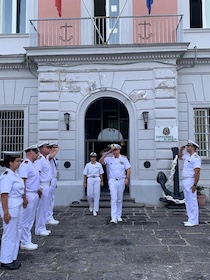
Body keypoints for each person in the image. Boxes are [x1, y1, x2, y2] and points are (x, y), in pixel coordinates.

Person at [0, 152, 24, 270]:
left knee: (16, 232)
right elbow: (4, 195)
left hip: (17, 205)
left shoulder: (15, 175)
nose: (19, 163)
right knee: (9, 233)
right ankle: (5, 259)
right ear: (10, 162)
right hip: (11, 207)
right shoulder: (6, 176)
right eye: (17, 161)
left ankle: (12, 257)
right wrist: (6, 212)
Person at [99, 143, 131, 224]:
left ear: (119, 150)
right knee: (114, 198)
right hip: (112, 180)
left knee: (119, 199)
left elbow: (128, 169)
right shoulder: (109, 159)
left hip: (121, 180)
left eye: (116, 150)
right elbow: (100, 161)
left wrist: (127, 178)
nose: (114, 152)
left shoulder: (124, 159)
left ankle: (118, 216)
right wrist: (107, 152)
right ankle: (113, 217)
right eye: (113, 150)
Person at [18, 144, 40, 250]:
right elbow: (23, 182)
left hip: (33, 194)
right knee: (26, 220)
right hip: (29, 195)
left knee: (30, 219)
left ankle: (27, 240)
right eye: (36, 153)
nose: (38, 155)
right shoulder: (25, 165)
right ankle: (24, 241)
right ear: (30, 153)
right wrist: (24, 197)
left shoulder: (32, 165)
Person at [178, 140, 201, 227]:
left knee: (192, 201)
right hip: (186, 180)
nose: (187, 147)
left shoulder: (195, 158)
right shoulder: (188, 156)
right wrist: (181, 150)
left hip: (191, 180)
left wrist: (195, 184)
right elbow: (180, 157)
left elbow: (197, 172)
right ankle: (190, 219)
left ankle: (194, 220)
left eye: (188, 146)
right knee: (187, 201)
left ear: (193, 147)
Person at [34, 141, 52, 236]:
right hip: (43, 185)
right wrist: (39, 187)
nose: (49, 149)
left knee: (45, 208)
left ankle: (42, 226)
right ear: (41, 148)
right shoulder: (40, 159)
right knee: (41, 209)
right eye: (47, 147)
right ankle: (39, 228)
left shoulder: (45, 159)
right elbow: (37, 173)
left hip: (47, 185)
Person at [83, 152, 104, 216]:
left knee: (96, 194)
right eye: (92, 157)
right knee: (90, 195)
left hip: (97, 179)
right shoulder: (88, 165)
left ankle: (95, 209)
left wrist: (102, 181)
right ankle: (91, 205)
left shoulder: (98, 165)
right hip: (90, 179)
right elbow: (85, 174)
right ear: (90, 158)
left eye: (94, 157)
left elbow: (101, 173)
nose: (93, 158)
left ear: (96, 158)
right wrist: (84, 182)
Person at [46, 142, 59, 225]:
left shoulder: (54, 158)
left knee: (51, 199)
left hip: (53, 179)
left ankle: (49, 216)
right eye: (53, 147)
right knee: (48, 200)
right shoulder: (47, 157)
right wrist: (56, 151)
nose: (55, 149)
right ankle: (48, 217)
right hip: (49, 180)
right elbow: (50, 156)